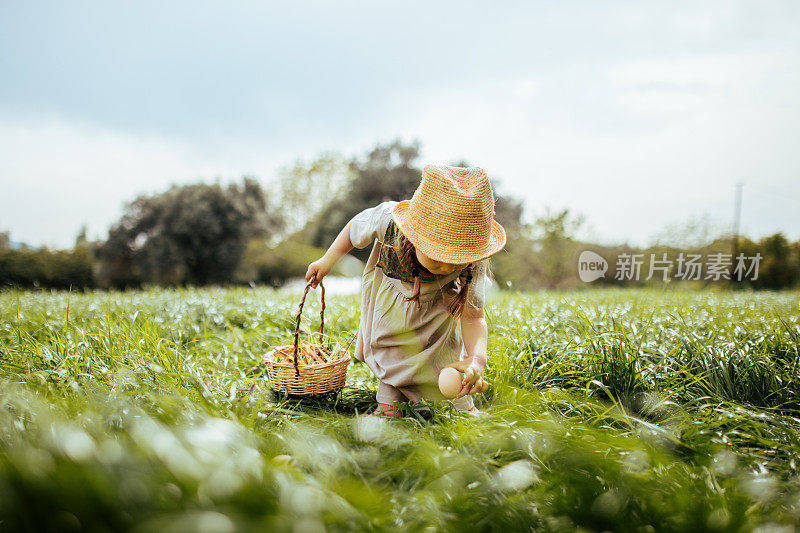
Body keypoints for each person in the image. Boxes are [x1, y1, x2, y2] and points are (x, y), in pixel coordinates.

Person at [305, 164, 506, 417]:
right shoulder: (389, 221)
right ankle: (389, 402)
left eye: (456, 260)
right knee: (390, 351)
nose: (446, 267)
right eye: (437, 255)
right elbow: (355, 226)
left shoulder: (474, 261)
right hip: (392, 313)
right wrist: (327, 260)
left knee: (446, 358)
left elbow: (474, 317)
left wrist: (477, 360)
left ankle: (463, 405)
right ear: (413, 235)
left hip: (437, 320)